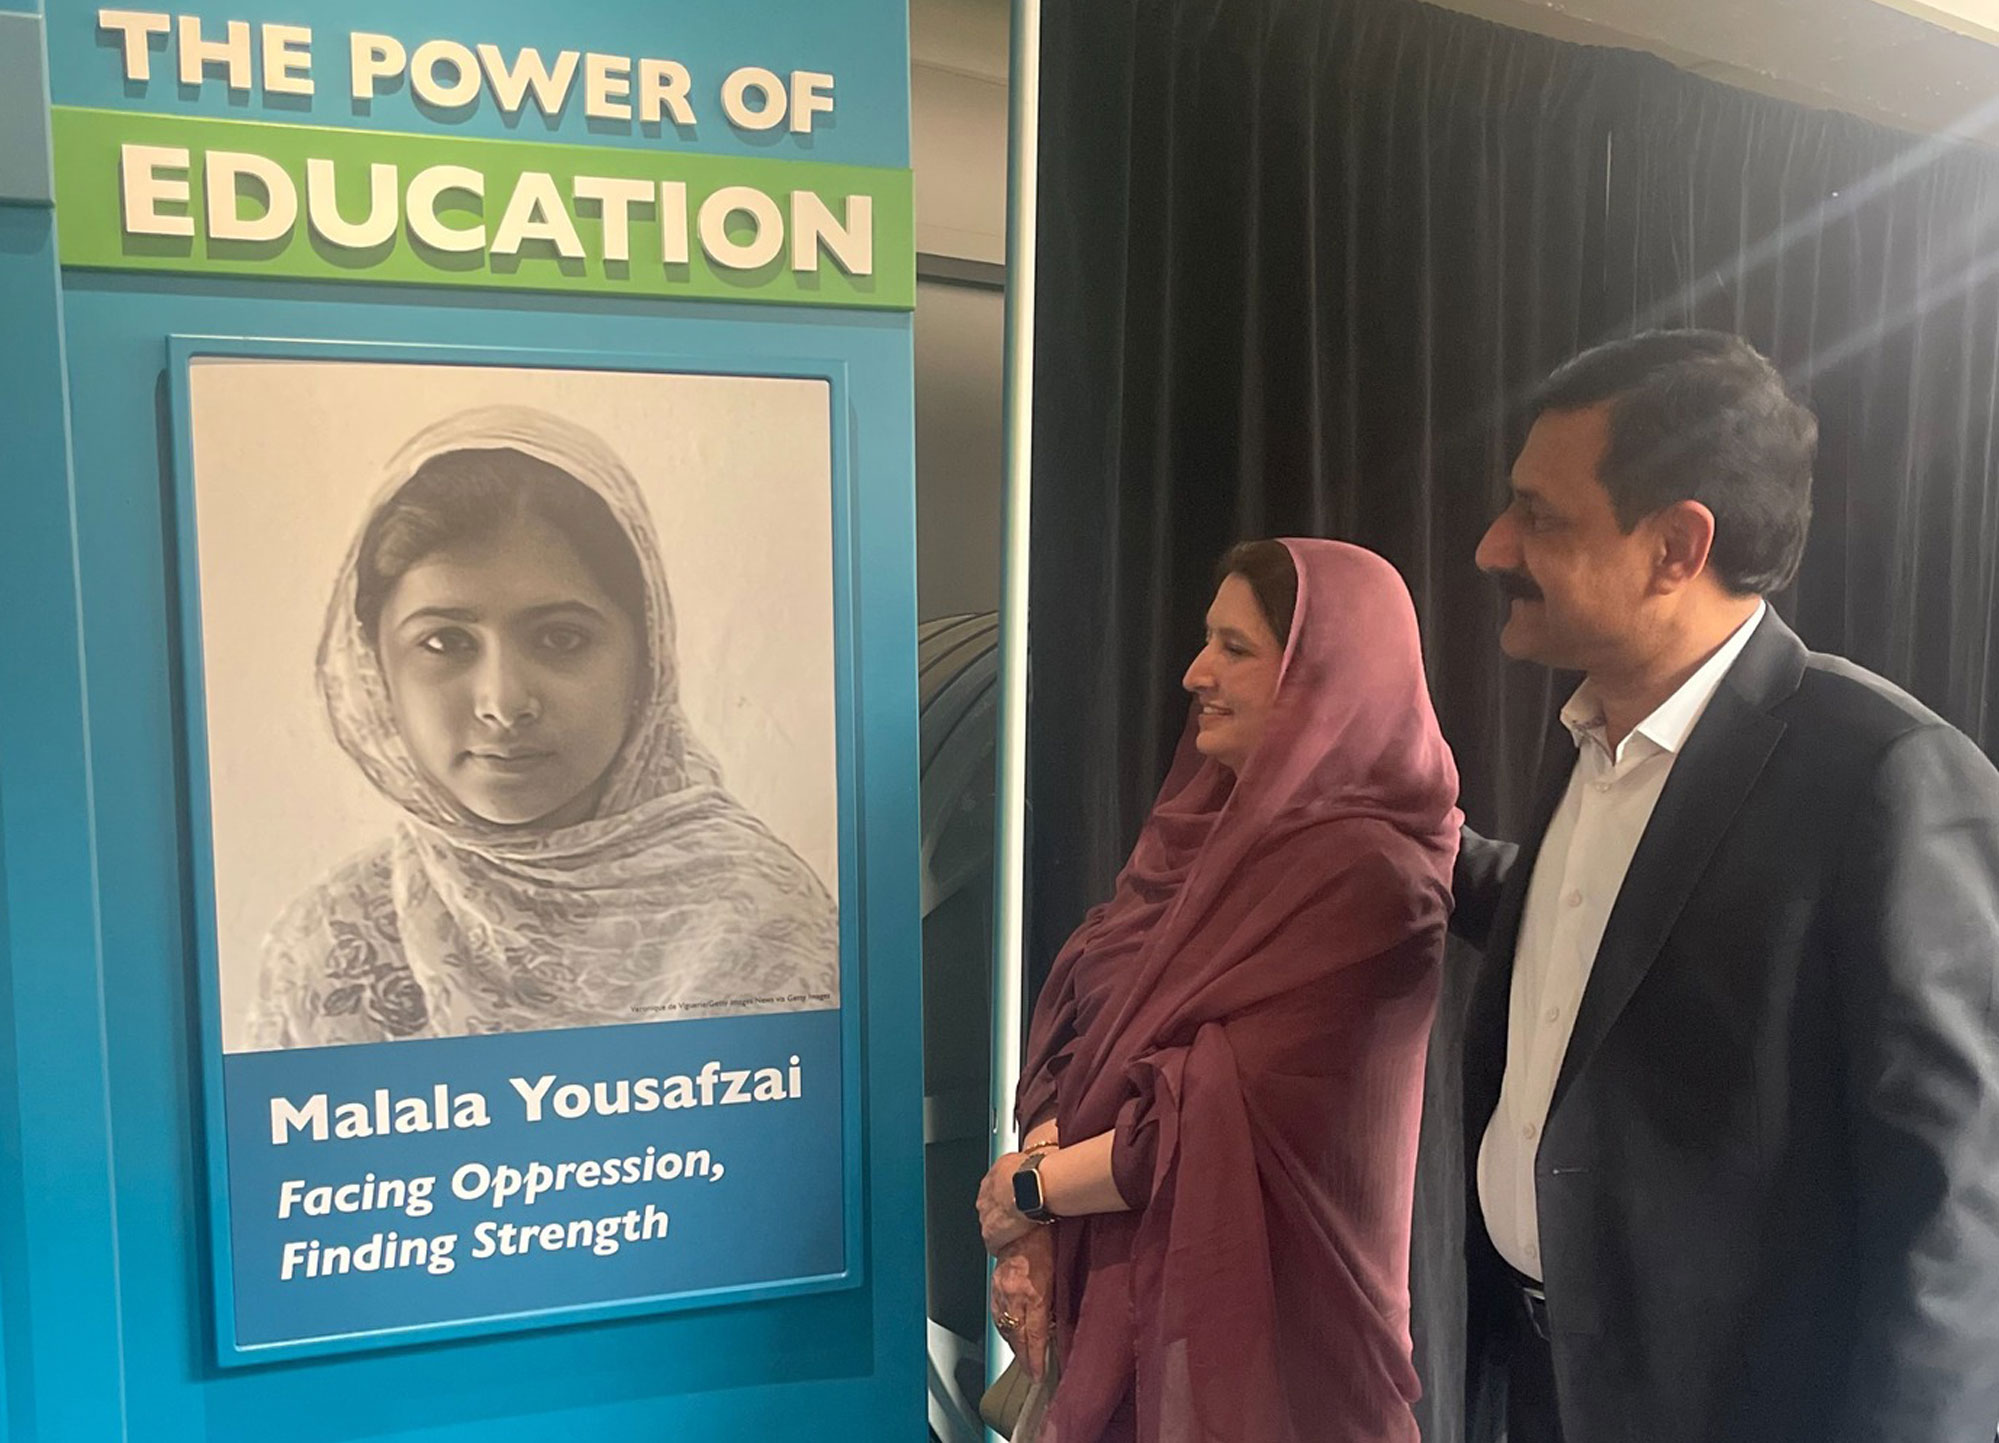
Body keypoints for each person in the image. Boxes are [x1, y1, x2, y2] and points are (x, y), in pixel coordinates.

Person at [1454, 329, 1999, 1443]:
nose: (1489, 546)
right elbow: (1611, 956)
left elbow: (1957, 1204)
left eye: (1539, 515)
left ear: (1674, 545)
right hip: (1539, 1383)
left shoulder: (1882, 772)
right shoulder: (1590, 734)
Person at [976, 538, 1461, 1442]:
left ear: (1325, 677)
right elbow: (1081, 1016)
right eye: (1207, 640)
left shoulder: (1371, 881)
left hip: (1276, 1346)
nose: (1195, 672)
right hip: (1124, 1312)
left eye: (1235, 649)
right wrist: (1031, 1216)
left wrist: (1029, 1190)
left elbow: (1193, 1122)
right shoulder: (1196, 834)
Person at [245, 405, 837, 1048]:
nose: (504, 702)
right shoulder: (332, 939)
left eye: (561, 638)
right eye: (445, 643)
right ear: (373, 667)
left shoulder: (755, 916)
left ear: (645, 659)